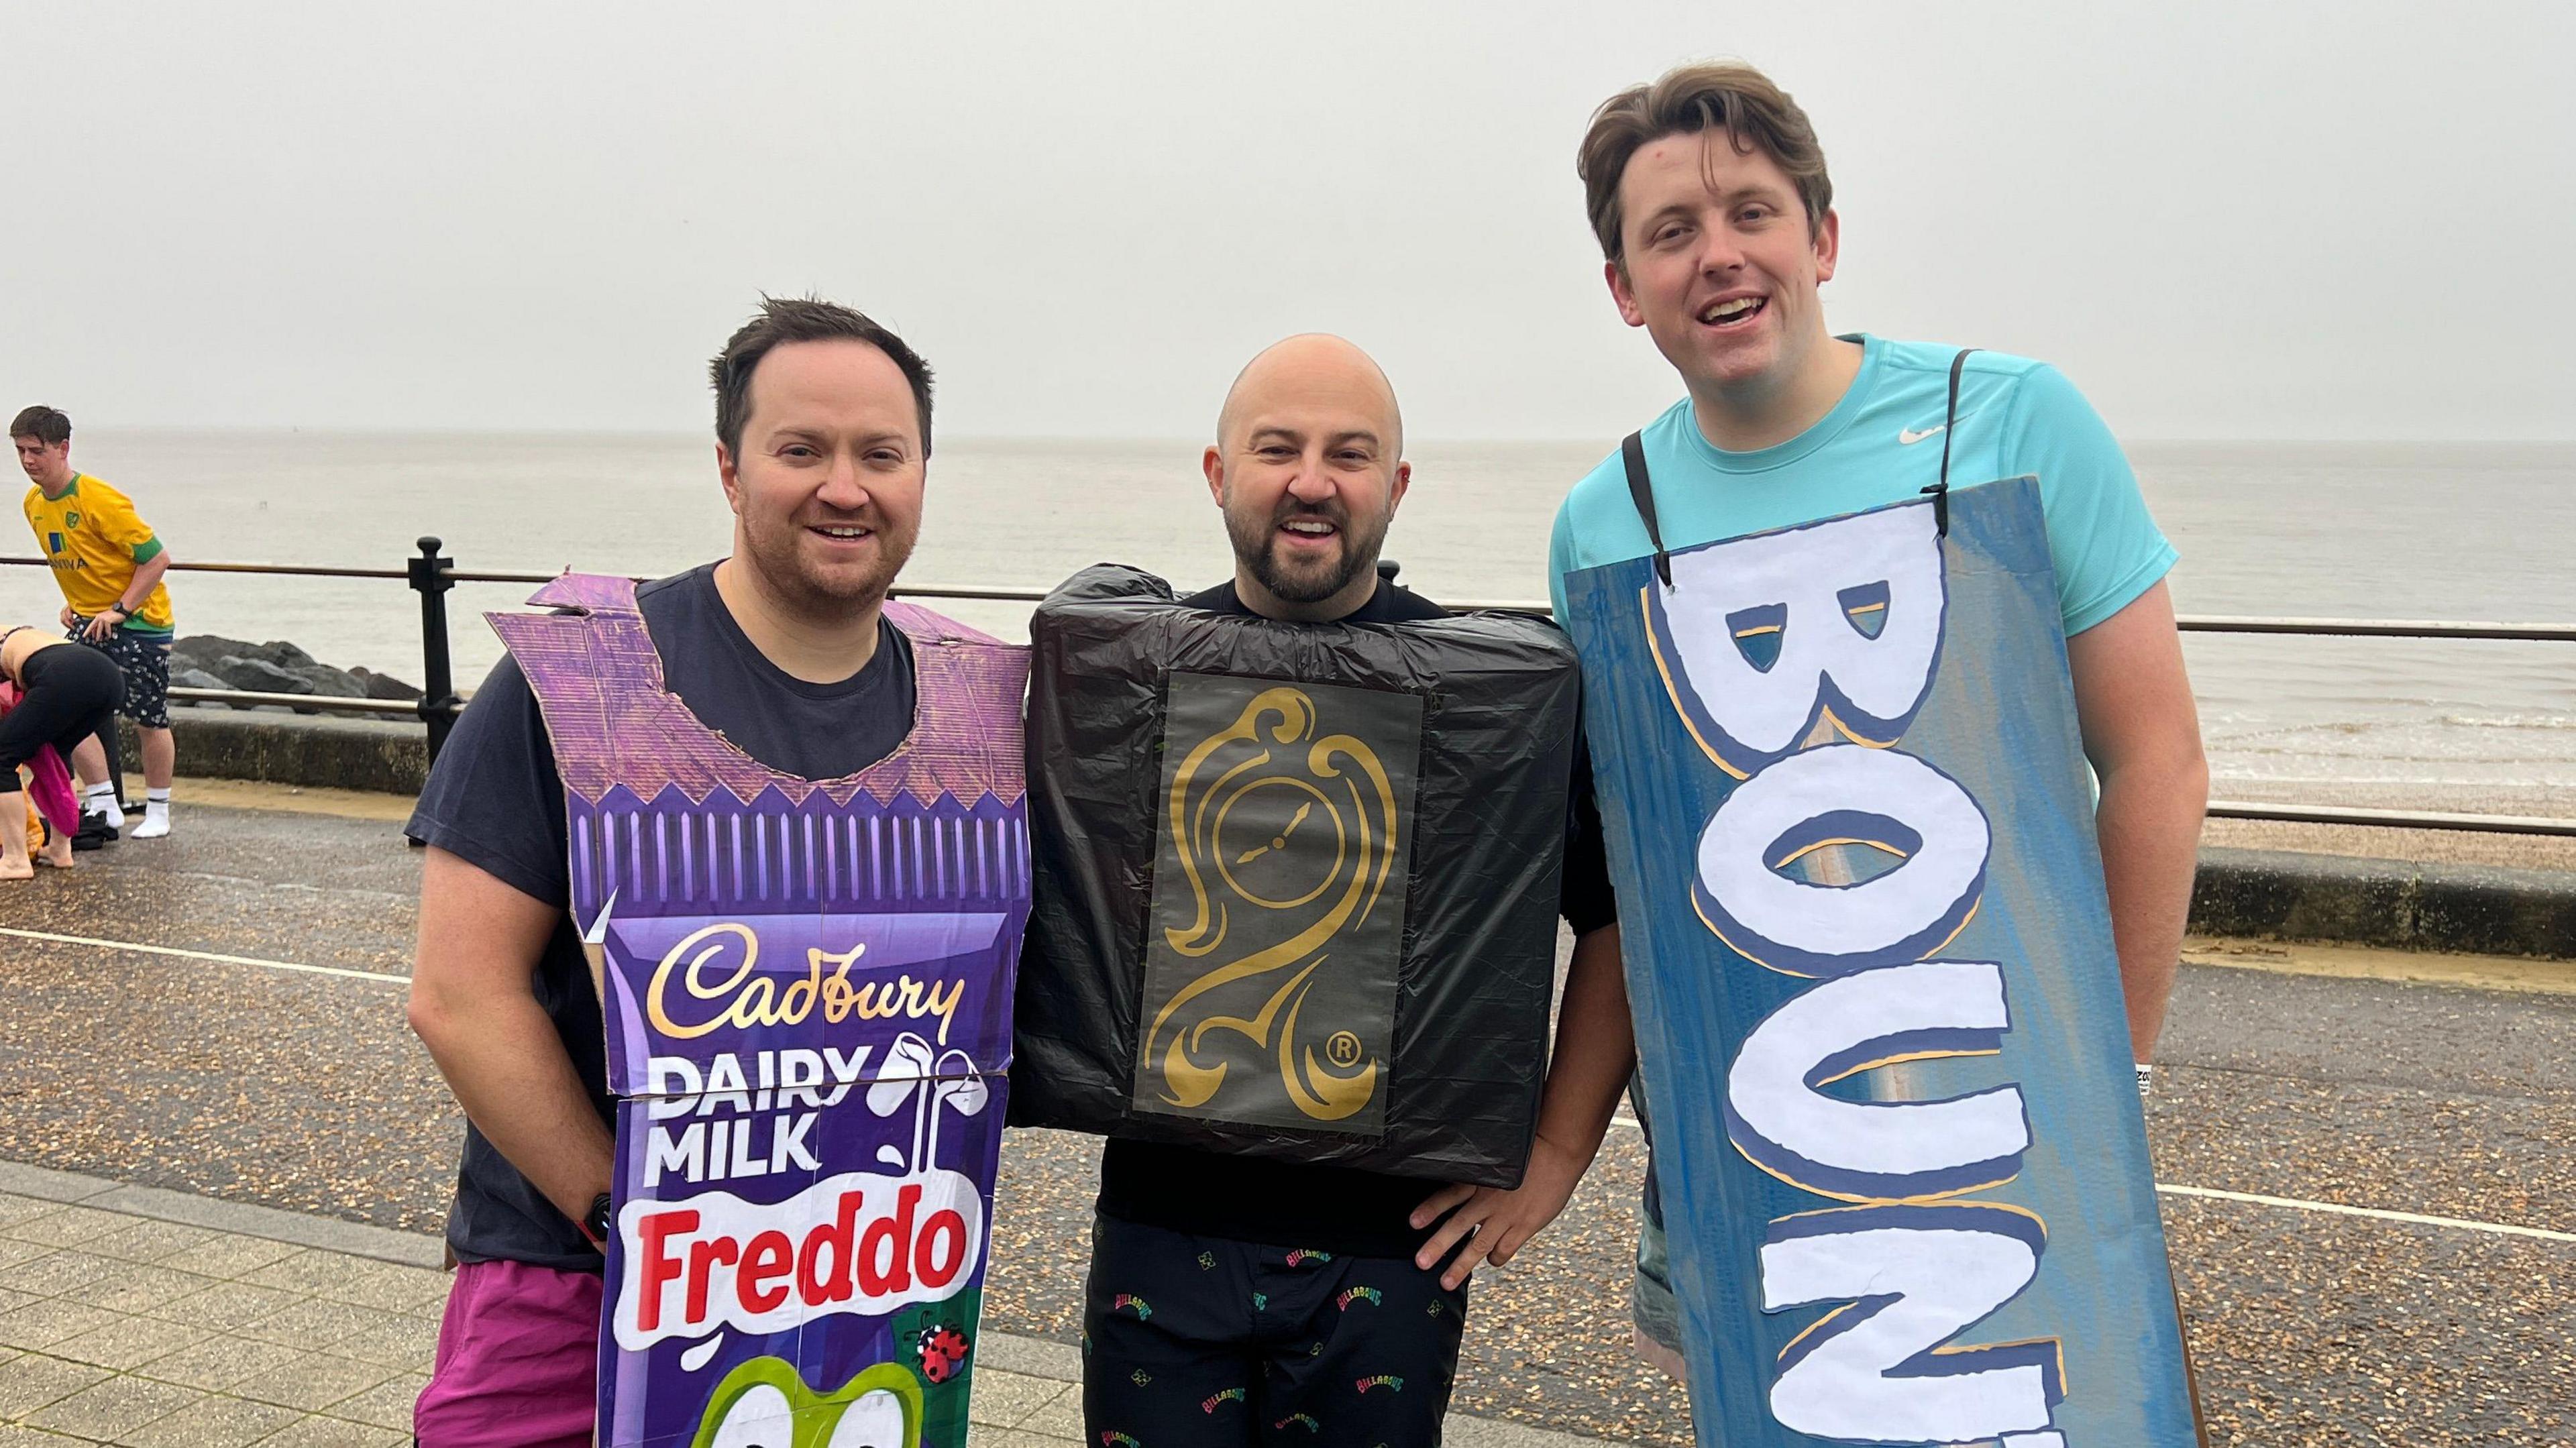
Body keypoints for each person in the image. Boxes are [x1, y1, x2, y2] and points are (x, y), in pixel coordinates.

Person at [1550, 62, 2208, 1380]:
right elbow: (1632, 875)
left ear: (1823, 236)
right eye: (1669, 232)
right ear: (1626, 289)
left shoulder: (2013, 419)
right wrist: (1559, 1149)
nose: (1718, 254)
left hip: (2004, 1125)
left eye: (1752, 211)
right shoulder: (1603, 522)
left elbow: (2156, 760)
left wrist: (2110, 1077)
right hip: (1740, 1157)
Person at [1067, 335, 1633, 1447]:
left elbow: (1616, 915)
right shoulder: (1134, 678)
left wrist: (1559, 1155)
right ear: (1220, 473)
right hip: (1159, 1227)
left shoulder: (1495, 696)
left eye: (1350, 452)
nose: (1311, 479)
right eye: (1277, 447)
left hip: (1391, 1252)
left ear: (1397, 485)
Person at [403, 298, 951, 1447]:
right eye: (801, 448)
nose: (844, 486)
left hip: (856, 1291)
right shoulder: (589, 676)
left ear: (920, 472)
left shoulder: (965, 709)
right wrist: (628, 1214)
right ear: (730, 467)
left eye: (879, 453)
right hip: (576, 1273)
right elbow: (460, 993)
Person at [13, 406, 179, 839]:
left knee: (149, 717)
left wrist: (119, 609)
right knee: (68, 707)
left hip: (140, 622)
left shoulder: (99, 499)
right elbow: (77, 561)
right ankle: (105, 803)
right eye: (20, 451)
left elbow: (156, 559)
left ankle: (159, 811)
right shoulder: (33, 504)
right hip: (89, 621)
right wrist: (75, 605)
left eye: (37, 450)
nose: (28, 460)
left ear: (63, 448)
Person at [1, 623, 121, 879]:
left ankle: (14, 860)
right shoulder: (19, 633)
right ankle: (59, 849)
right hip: (108, 677)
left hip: (64, 675)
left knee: (2, 757)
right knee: (56, 750)